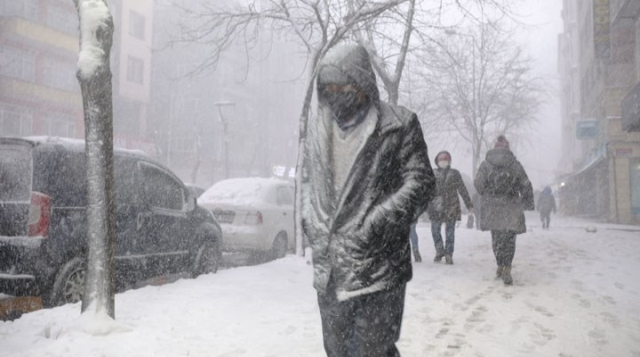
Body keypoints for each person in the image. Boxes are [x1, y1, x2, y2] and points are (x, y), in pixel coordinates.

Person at [300, 44, 435, 357]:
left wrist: (377, 223)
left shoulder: (398, 125)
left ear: (361, 83)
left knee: (371, 352)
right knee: (337, 351)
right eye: (327, 88)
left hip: (378, 266)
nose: (334, 95)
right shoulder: (318, 128)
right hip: (331, 267)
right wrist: (312, 221)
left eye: (341, 87)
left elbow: (421, 182)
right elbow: (308, 181)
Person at [474, 135, 534, 285]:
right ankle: (507, 267)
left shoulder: (486, 164)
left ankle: (500, 264)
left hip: (492, 206)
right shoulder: (515, 164)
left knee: (497, 238)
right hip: (511, 206)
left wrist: (487, 193)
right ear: (507, 148)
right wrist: (527, 202)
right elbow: (525, 184)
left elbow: (478, 183)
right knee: (509, 239)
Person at [427, 151, 473, 265]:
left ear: (449, 161)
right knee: (435, 230)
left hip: (451, 206)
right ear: (437, 161)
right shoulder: (432, 173)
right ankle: (439, 250)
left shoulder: (455, 173)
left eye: (445, 159)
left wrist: (469, 204)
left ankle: (448, 254)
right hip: (436, 206)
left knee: (450, 232)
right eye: (441, 159)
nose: (443, 161)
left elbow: (462, 189)